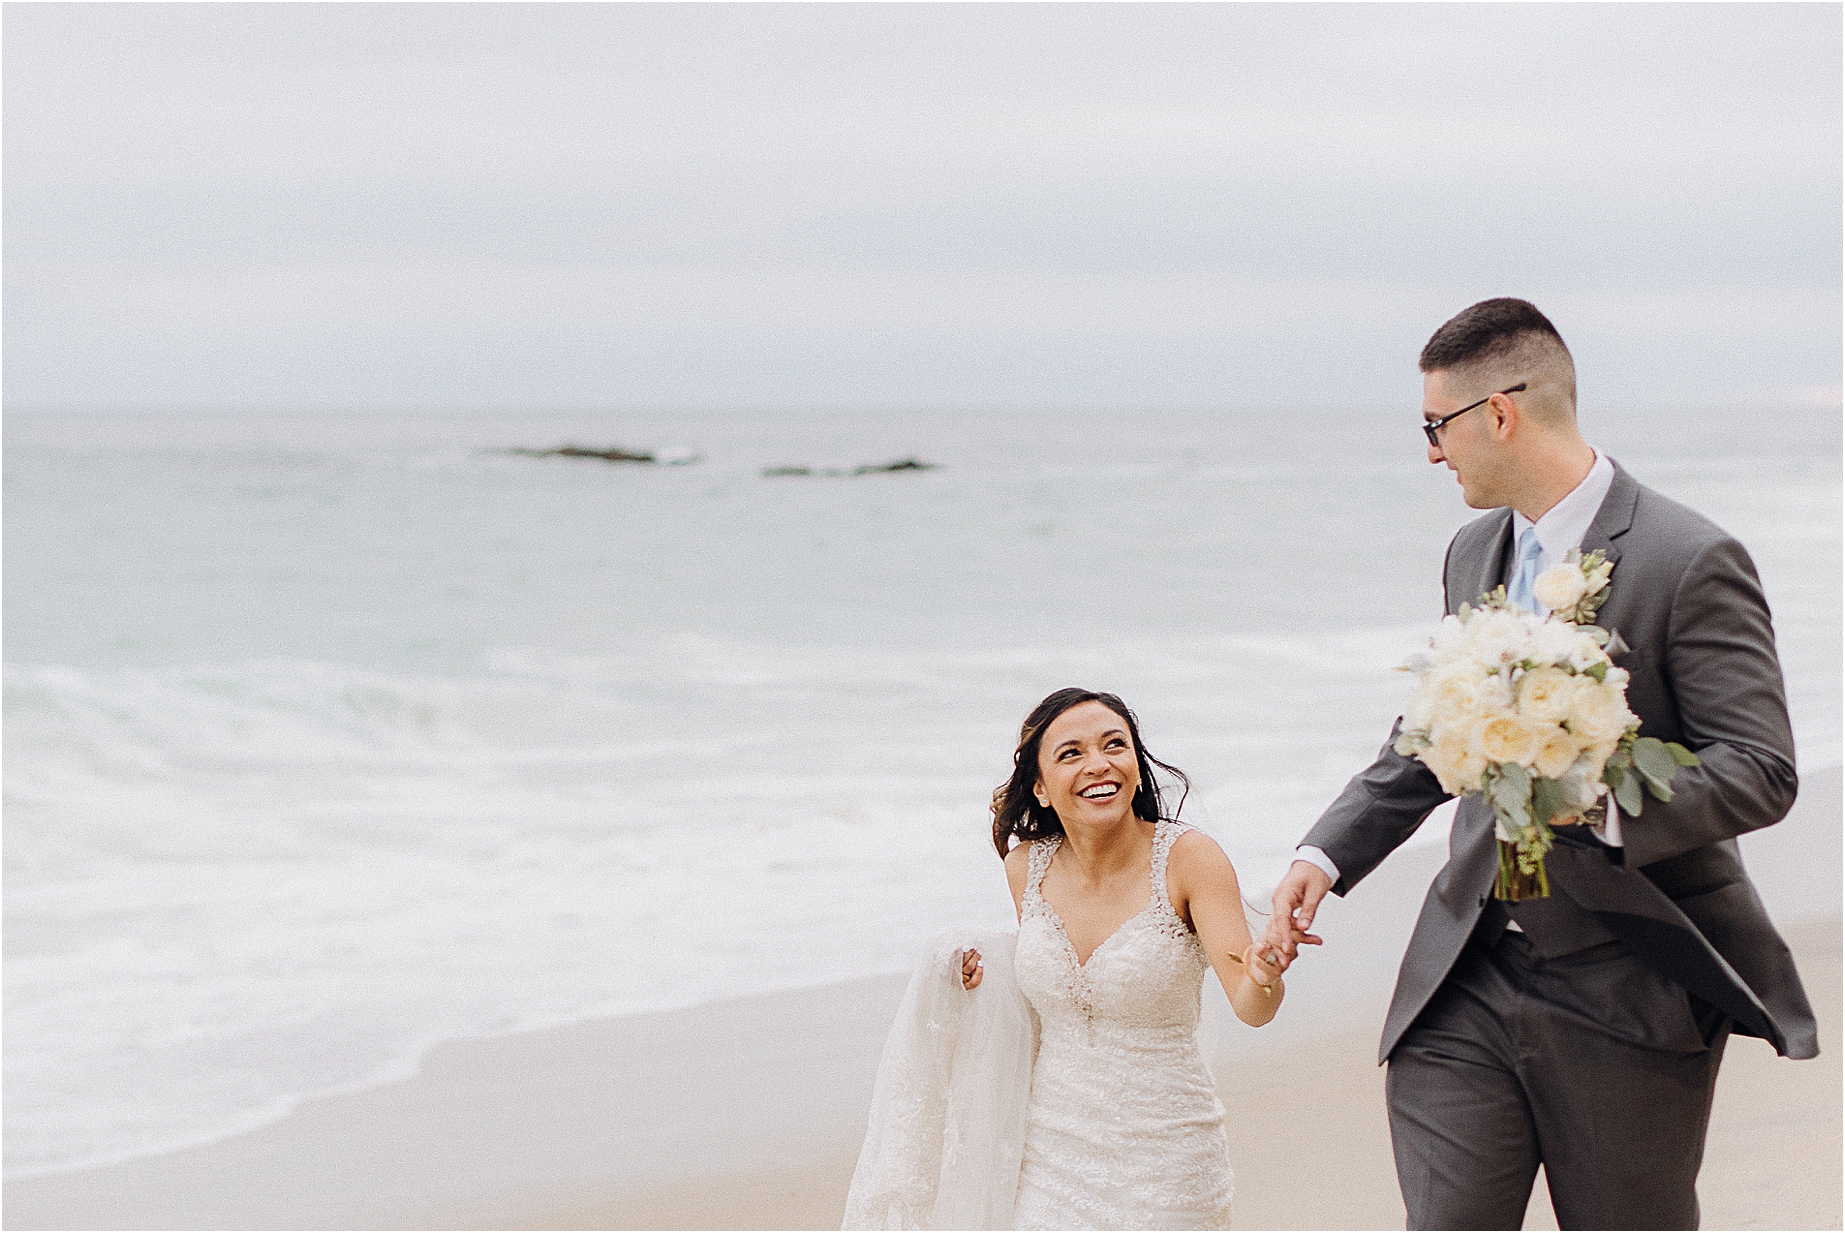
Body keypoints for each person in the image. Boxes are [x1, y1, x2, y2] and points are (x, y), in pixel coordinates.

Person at [1260, 298, 1819, 1230]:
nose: (1431, 452)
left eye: (1436, 426)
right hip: (1464, 971)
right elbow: (1435, 729)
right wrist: (1321, 857)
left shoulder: (1688, 559)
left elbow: (1762, 767)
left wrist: (1594, 802)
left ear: (1499, 413)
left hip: (1626, 981)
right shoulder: (1473, 550)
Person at [843, 688, 1285, 1230]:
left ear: (1138, 769)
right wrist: (979, 977)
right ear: (1042, 788)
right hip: (1050, 1154)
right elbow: (1049, 992)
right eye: (1071, 753)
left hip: (1168, 1159)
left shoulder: (1190, 859)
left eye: (1114, 745)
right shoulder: (1026, 866)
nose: (1098, 764)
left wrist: (1263, 974)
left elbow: (1250, 1004)